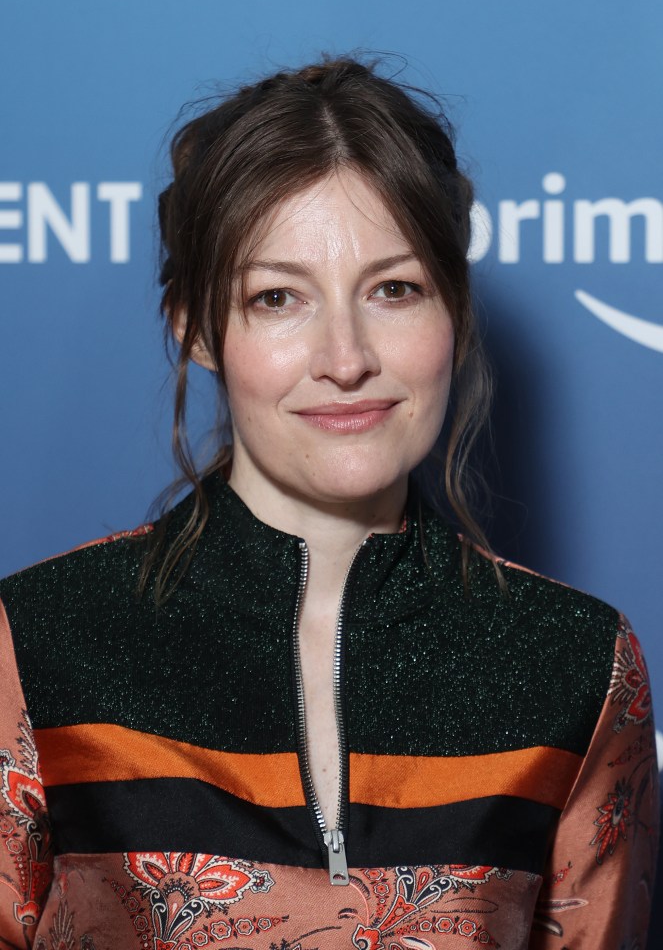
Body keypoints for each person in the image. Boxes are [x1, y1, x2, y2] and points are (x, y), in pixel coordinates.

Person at [0, 57, 658, 950]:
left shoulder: (575, 665)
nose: (344, 357)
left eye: (394, 289)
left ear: (454, 313)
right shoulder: (36, 641)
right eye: (278, 298)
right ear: (196, 328)